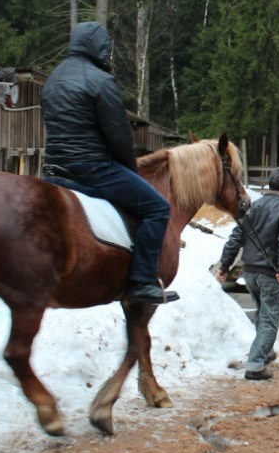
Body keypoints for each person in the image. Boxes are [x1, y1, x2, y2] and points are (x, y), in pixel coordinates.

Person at [40, 21, 177, 306]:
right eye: (107, 48)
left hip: (54, 170)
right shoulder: (101, 81)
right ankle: (142, 282)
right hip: (93, 169)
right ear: (98, 48)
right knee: (157, 207)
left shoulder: (53, 78)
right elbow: (119, 136)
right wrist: (130, 170)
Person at [216, 168, 279, 381]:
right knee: (270, 318)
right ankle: (255, 365)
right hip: (271, 273)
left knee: (262, 313)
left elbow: (236, 236)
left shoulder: (254, 206)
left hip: (250, 271)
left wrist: (225, 265)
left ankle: (266, 351)